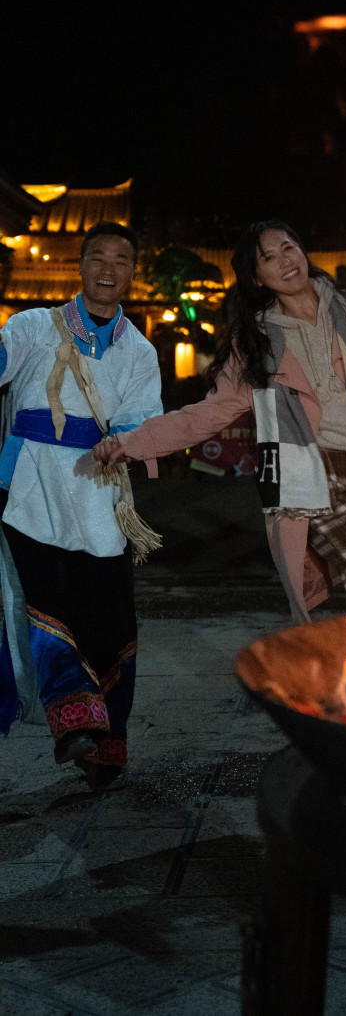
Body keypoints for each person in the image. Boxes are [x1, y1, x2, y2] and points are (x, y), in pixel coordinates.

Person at [93, 221, 346, 623]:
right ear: (256, 277)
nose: (285, 262)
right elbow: (207, 413)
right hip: (313, 481)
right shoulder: (256, 342)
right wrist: (132, 442)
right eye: (269, 258)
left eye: (289, 248)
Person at [0, 222, 162, 791]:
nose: (108, 270)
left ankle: (108, 742)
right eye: (98, 257)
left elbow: (141, 419)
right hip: (30, 489)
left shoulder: (139, 349)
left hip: (98, 492)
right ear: (81, 265)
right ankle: (73, 723)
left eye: (121, 260)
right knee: (45, 604)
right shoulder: (31, 326)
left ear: (132, 273)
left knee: (109, 617)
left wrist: (123, 441)